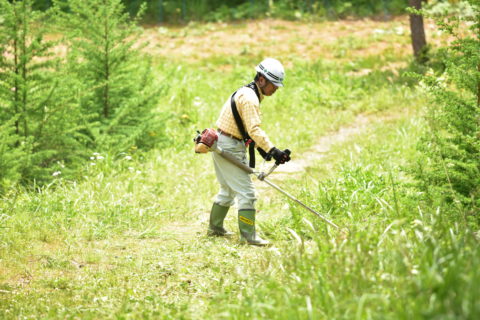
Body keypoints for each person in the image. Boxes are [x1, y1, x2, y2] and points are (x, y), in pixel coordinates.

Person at [208, 58, 291, 246]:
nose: (276, 89)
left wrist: (264, 151)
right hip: (228, 146)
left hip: (224, 142)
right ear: (261, 80)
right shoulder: (250, 99)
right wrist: (273, 150)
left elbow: (246, 129)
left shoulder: (247, 92)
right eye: (274, 85)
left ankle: (215, 228)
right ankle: (248, 236)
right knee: (247, 194)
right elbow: (254, 130)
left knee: (228, 190)